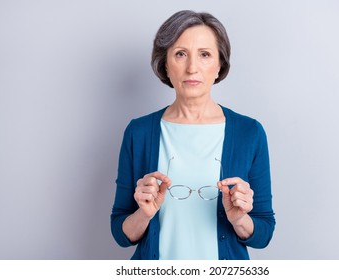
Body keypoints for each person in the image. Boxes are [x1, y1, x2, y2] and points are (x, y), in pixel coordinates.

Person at [111, 10, 275, 260]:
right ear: (165, 63)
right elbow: (120, 232)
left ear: (220, 64)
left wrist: (239, 218)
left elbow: (264, 233)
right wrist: (143, 214)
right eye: (180, 54)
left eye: (205, 55)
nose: (192, 68)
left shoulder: (248, 133)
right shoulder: (140, 132)